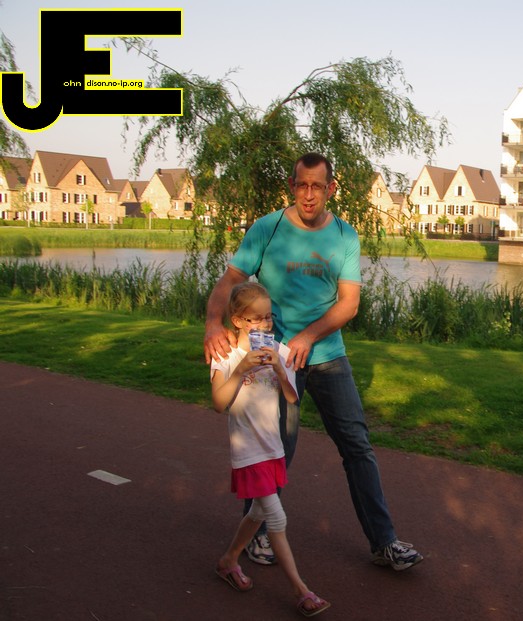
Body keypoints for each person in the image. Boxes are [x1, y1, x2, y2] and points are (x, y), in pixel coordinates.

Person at [204, 152, 423, 571]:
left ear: (331, 189)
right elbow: (231, 280)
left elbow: (349, 304)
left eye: (317, 186)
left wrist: (308, 335)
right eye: (301, 185)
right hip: (275, 358)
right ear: (292, 186)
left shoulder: (344, 235)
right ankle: (257, 535)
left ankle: (384, 542)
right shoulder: (267, 228)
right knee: (276, 448)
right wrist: (213, 325)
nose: (308, 194)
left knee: (357, 444)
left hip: (327, 355)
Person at [211, 281, 330, 617]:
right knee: (276, 516)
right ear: (237, 321)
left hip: (272, 447)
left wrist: (279, 366)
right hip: (248, 450)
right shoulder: (226, 356)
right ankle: (301, 591)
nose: (264, 325)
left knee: (258, 513)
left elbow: (292, 397)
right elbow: (219, 403)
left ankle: (228, 560)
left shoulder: (278, 350)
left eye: (268, 318)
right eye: (256, 319)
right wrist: (241, 368)